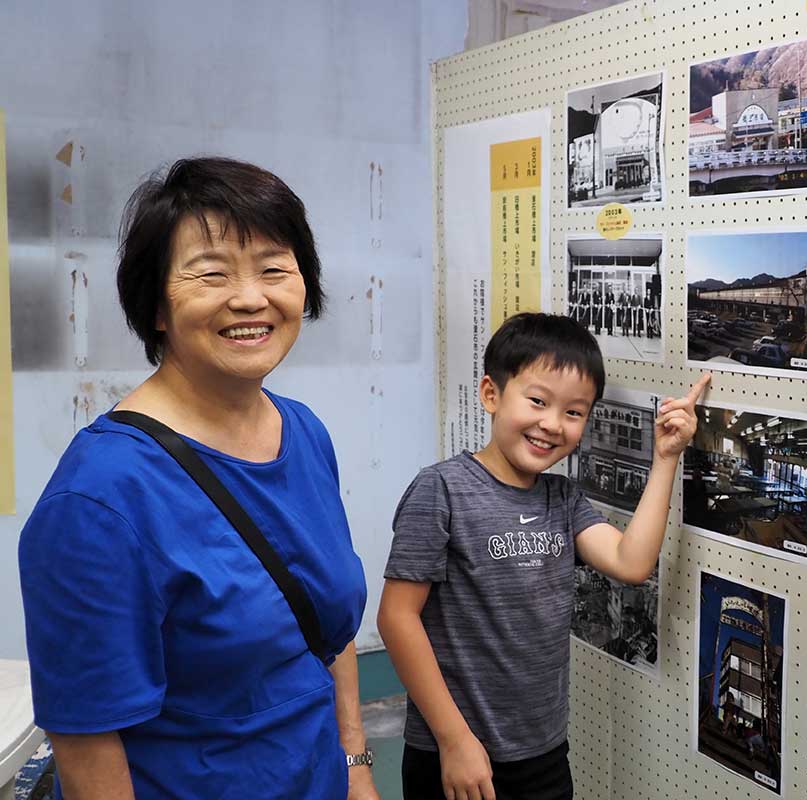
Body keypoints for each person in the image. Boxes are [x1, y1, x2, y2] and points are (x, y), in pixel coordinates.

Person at [17, 158, 378, 799]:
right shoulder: (99, 499)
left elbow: (329, 624)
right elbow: (87, 744)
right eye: (211, 274)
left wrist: (354, 763)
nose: (250, 298)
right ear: (157, 305)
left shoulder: (303, 432)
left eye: (274, 268)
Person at [378, 312, 711, 800]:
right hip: (455, 752)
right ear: (491, 394)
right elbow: (396, 618)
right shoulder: (441, 489)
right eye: (537, 401)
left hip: (543, 751)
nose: (552, 424)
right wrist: (454, 740)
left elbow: (631, 562)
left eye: (574, 412)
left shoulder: (562, 498)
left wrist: (666, 458)